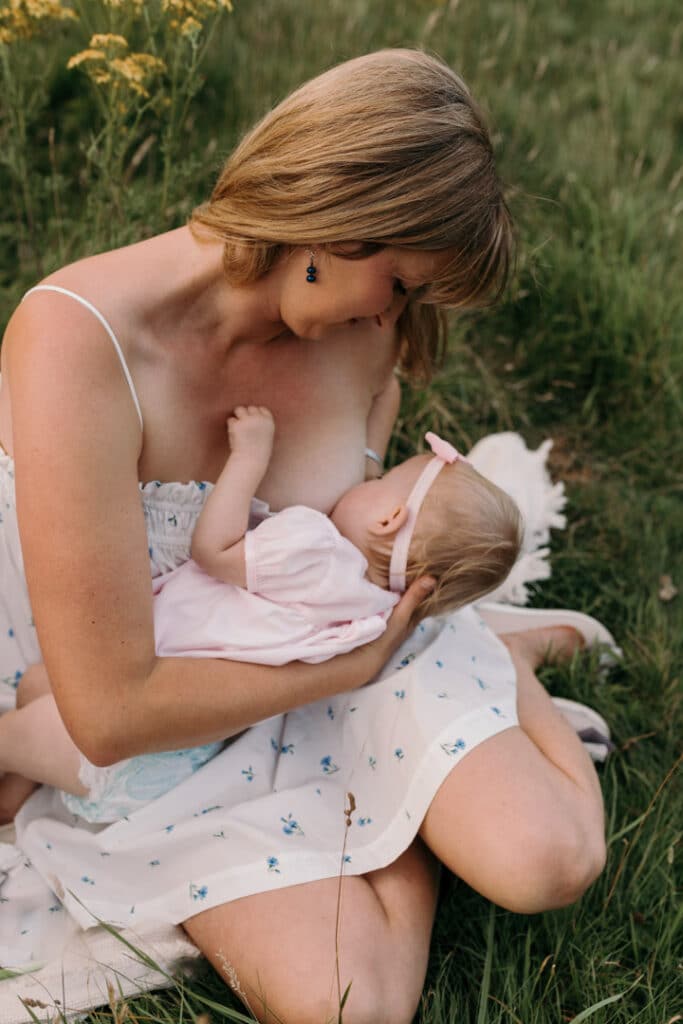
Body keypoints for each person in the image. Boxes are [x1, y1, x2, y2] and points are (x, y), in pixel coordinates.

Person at [0, 48, 610, 1024]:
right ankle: (399, 826)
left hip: (337, 625)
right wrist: (347, 670)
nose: (390, 315)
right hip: (180, 711)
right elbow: (110, 712)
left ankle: (501, 661)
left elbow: (371, 454)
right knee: (346, 1009)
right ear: (335, 207)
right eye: (400, 282)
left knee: (549, 859)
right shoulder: (79, 339)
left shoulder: (361, 329)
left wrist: (360, 598)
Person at [0, 407, 522, 824]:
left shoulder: (316, 551)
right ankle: (19, 790)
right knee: (34, 687)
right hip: (174, 754)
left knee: (13, 732)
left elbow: (214, 550)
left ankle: (19, 762)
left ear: (388, 518)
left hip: (128, 727)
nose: (366, 477)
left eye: (381, 478)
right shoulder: (374, 615)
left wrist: (249, 458)